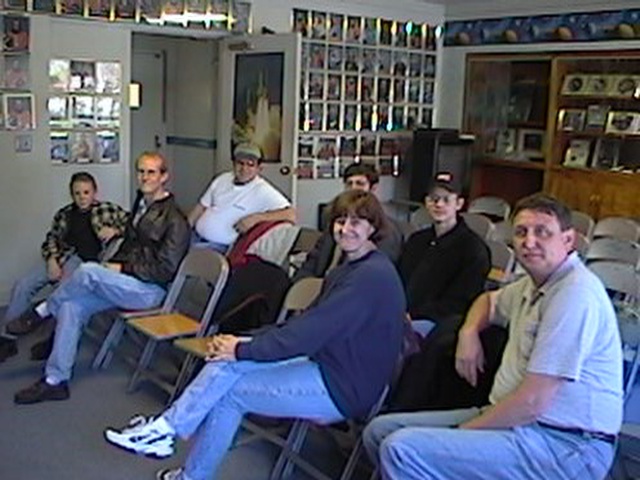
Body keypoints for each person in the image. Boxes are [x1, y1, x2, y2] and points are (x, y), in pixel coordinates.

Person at [104, 190, 406, 480]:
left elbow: (308, 334)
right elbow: (303, 325)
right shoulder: (346, 271)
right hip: (324, 361)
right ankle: (166, 431)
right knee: (225, 362)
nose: (345, 229)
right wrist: (241, 342)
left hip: (343, 386)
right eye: (340, 221)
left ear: (373, 228)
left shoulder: (370, 277)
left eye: (356, 222)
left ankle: (184, 461)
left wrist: (242, 349)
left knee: (230, 395)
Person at [363, 193, 623, 480]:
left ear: (568, 240)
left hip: (563, 444)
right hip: (514, 422)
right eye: (521, 232)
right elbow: (488, 301)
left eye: (542, 232)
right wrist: (469, 332)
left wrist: (461, 437)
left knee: (401, 450)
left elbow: (533, 403)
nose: (529, 242)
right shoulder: (533, 283)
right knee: (379, 432)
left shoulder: (574, 295)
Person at [14, 152, 191, 404]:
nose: (144, 177)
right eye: (141, 171)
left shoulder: (175, 219)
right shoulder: (141, 204)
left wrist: (122, 268)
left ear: (164, 177)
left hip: (149, 291)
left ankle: (42, 311)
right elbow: (130, 245)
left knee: (87, 270)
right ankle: (55, 381)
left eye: (151, 172)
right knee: (70, 307)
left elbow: (166, 269)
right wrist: (114, 264)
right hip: (126, 284)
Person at [0, 172, 128, 363]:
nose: (82, 197)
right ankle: (7, 339)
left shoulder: (107, 210)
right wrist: (51, 259)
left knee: (62, 292)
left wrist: (115, 230)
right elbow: (51, 239)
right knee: (23, 285)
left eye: (86, 192)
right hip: (62, 258)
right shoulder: (64, 214)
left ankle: (53, 340)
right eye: (77, 193)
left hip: (86, 264)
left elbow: (134, 226)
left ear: (95, 192)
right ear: (72, 194)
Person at [400, 171, 490, 335]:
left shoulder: (473, 249)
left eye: (446, 199)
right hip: (403, 314)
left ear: (459, 204)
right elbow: (400, 280)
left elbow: (459, 303)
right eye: (433, 199)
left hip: (438, 324)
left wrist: (413, 315)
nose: (439, 204)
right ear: (426, 202)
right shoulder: (416, 240)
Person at [293, 162, 403, 281]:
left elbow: (373, 274)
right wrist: (298, 285)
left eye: (360, 184)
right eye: (349, 184)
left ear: (373, 188)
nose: (353, 188)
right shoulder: (335, 222)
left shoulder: (385, 229)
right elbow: (312, 262)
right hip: (319, 284)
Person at [188, 142, 295, 253]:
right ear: (233, 163)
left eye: (250, 164)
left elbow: (291, 214)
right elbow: (201, 207)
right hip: (194, 235)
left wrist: (256, 218)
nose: (244, 168)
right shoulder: (222, 179)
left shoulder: (263, 190)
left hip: (219, 247)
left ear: (259, 168)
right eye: (240, 163)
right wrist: (185, 230)